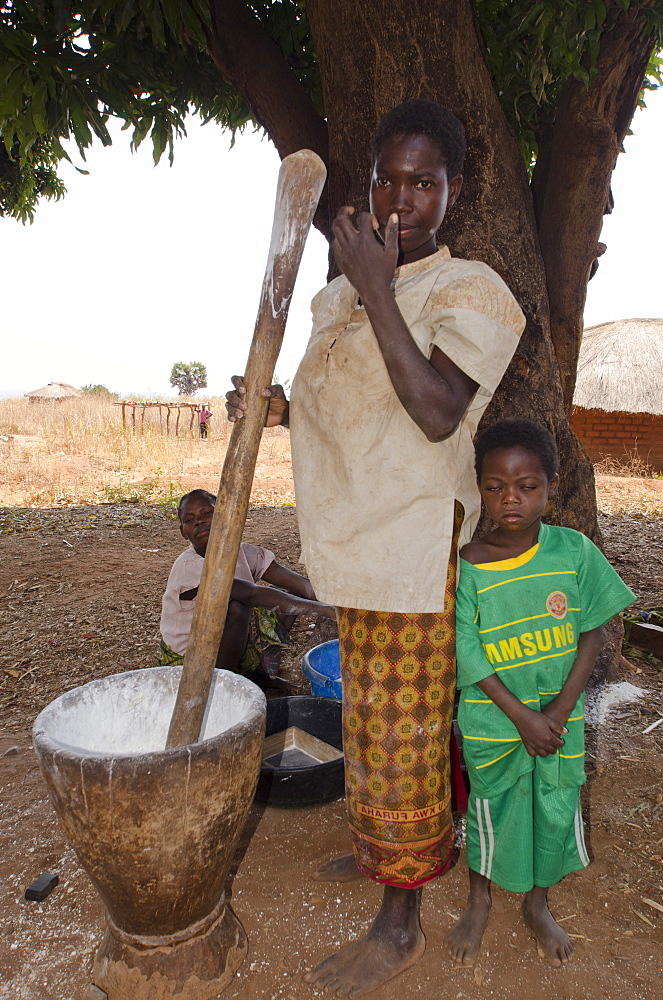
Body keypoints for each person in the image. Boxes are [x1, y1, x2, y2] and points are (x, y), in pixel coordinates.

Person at [227, 99, 525, 996]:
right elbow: (342, 401)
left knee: (397, 734)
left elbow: (436, 411)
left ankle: (398, 924)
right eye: (386, 178)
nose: (401, 198)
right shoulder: (335, 294)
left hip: (411, 545)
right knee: (378, 724)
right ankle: (384, 850)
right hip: (354, 542)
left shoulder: (470, 289)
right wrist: (273, 406)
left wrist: (380, 285)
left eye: (422, 181)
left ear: (453, 191)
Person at [447, 420, 635, 969]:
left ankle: (537, 903)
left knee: (553, 806)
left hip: (559, 722)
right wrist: (520, 717)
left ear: (552, 486)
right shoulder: (468, 565)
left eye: (527, 485)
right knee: (490, 807)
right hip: (493, 721)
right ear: (478, 485)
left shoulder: (572, 551)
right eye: (495, 485)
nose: (511, 498)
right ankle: (479, 899)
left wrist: (556, 709)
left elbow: (592, 628)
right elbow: (465, 649)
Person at [159, 489, 336, 690]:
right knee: (239, 607)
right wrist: (327, 611)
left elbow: (301, 586)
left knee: (291, 596)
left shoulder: (243, 553)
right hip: (191, 657)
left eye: (207, 513)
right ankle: (223, 686)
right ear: (183, 531)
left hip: (228, 641)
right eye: (189, 519)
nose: (199, 521)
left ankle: (258, 672)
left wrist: (340, 602)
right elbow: (251, 594)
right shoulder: (189, 566)